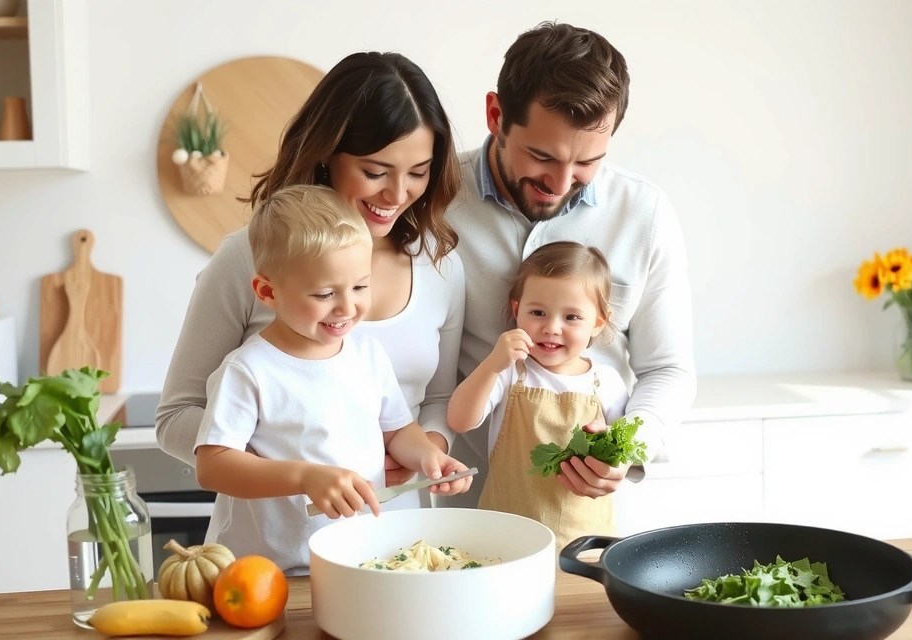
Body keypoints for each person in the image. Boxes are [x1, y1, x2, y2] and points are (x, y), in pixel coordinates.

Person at [156, 52, 466, 511]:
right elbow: (175, 418)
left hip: (391, 527)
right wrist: (304, 466)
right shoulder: (248, 258)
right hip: (274, 539)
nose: (397, 195)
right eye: (375, 172)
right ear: (327, 155)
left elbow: (438, 400)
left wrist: (424, 453)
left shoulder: (440, 264)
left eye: (418, 173)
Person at [439, 22, 697, 511]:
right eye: (541, 156)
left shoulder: (644, 214)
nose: (560, 183)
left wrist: (627, 447)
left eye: (587, 163)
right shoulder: (431, 199)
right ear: (496, 114)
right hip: (464, 514)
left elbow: (668, 368)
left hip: (593, 515)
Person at [193, 185, 473, 576]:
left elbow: (398, 431)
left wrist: (428, 457)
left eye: (360, 286)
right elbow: (213, 466)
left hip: (365, 562)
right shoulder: (249, 370)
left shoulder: (368, 354)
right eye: (325, 293)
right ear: (267, 291)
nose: (347, 307)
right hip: (274, 571)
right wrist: (305, 477)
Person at [447, 241, 628, 548]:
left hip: (585, 543)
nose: (551, 328)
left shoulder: (606, 382)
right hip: (505, 540)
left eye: (571, 317)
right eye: (538, 312)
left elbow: (624, 452)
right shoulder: (509, 371)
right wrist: (492, 364)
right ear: (517, 310)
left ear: (599, 322)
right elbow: (459, 420)